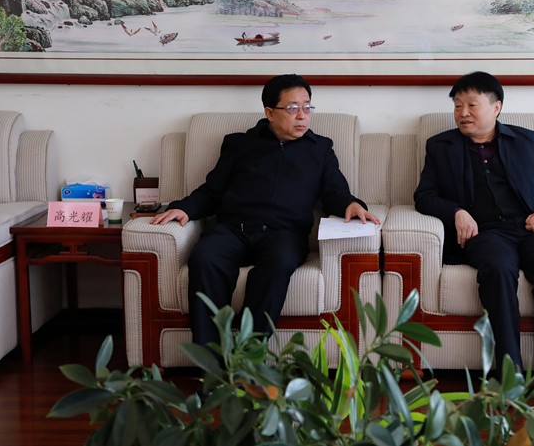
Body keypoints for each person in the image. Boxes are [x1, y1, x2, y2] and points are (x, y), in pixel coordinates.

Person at [151, 74, 380, 348]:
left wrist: (351, 204)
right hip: (232, 230)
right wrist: (184, 209)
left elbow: (335, 192)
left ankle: (251, 355)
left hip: (284, 235)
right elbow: (212, 190)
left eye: (307, 107)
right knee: (205, 257)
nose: (302, 116)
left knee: (278, 264)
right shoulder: (239, 144)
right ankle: (211, 357)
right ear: (270, 113)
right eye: (292, 108)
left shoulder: (320, 149)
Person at [413, 71, 534, 407]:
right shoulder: (441, 146)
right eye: (457, 106)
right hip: (485, 232)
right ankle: (510, 374)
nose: (463, 113)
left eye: (471, 105)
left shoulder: (526, 141)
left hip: (532, 227)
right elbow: (424, 196)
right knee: (496, 268)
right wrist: (456, 212)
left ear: (496, 107)